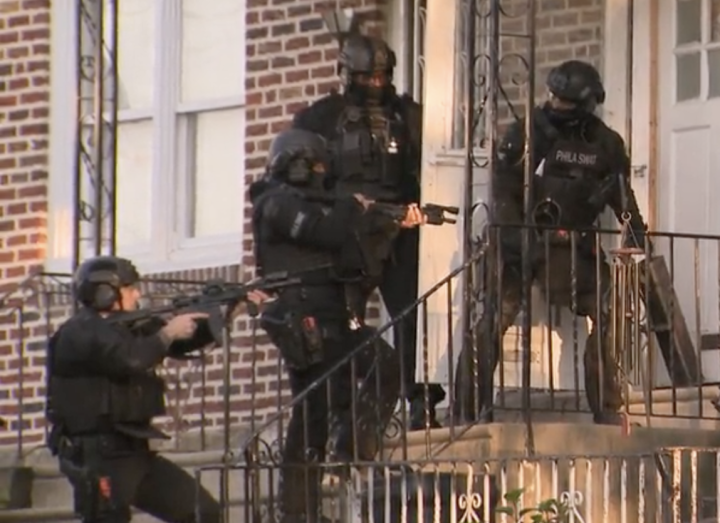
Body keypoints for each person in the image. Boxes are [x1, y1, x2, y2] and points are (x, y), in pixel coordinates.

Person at [452, 59, 649, 426]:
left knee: (613, 306)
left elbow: (623, 199)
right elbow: (503, 192)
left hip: (571, 248)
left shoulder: (605, 143)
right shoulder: (526, 135)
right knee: (492, 319)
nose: (558, 108)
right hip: (520, 243)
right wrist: (515, 241)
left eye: (567, 103)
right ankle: (468, 412)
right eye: (556, 99)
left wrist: (638, 237)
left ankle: (607, 406)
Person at [251, 127, 411, 522]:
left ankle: (353, 448)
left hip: (335, 315)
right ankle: (298, 512)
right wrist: (354, 208)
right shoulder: (275, 204)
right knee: (313, 413)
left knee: (385, 365)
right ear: (299, 164)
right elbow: (330, 231)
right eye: (318, 165)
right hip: (301, 318)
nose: (324, 171)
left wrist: (391, 220)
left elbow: (350, 244)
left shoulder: (324, 203)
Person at [291, 30, 446, 430]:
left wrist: (416, 210)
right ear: (348, 74)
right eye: (368, 77)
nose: (376, 85)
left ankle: (420, 403)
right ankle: (342, 416)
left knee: (414, 319)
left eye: (382, 76)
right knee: (342, 329)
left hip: (399, 231)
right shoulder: (320, 118)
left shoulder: (409, 115)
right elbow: (302, 179)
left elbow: (429, 170)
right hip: (349, 236)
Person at [45, 255, 267, 523]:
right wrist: (167, 333)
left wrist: (231, 309)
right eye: (130, 289)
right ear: (104, 293)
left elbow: (180, 342)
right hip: (96, 453)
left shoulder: (130, 325)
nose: (137, 294)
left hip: (133, 449)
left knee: (200, 511)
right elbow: (129, 358)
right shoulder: (78, 332)